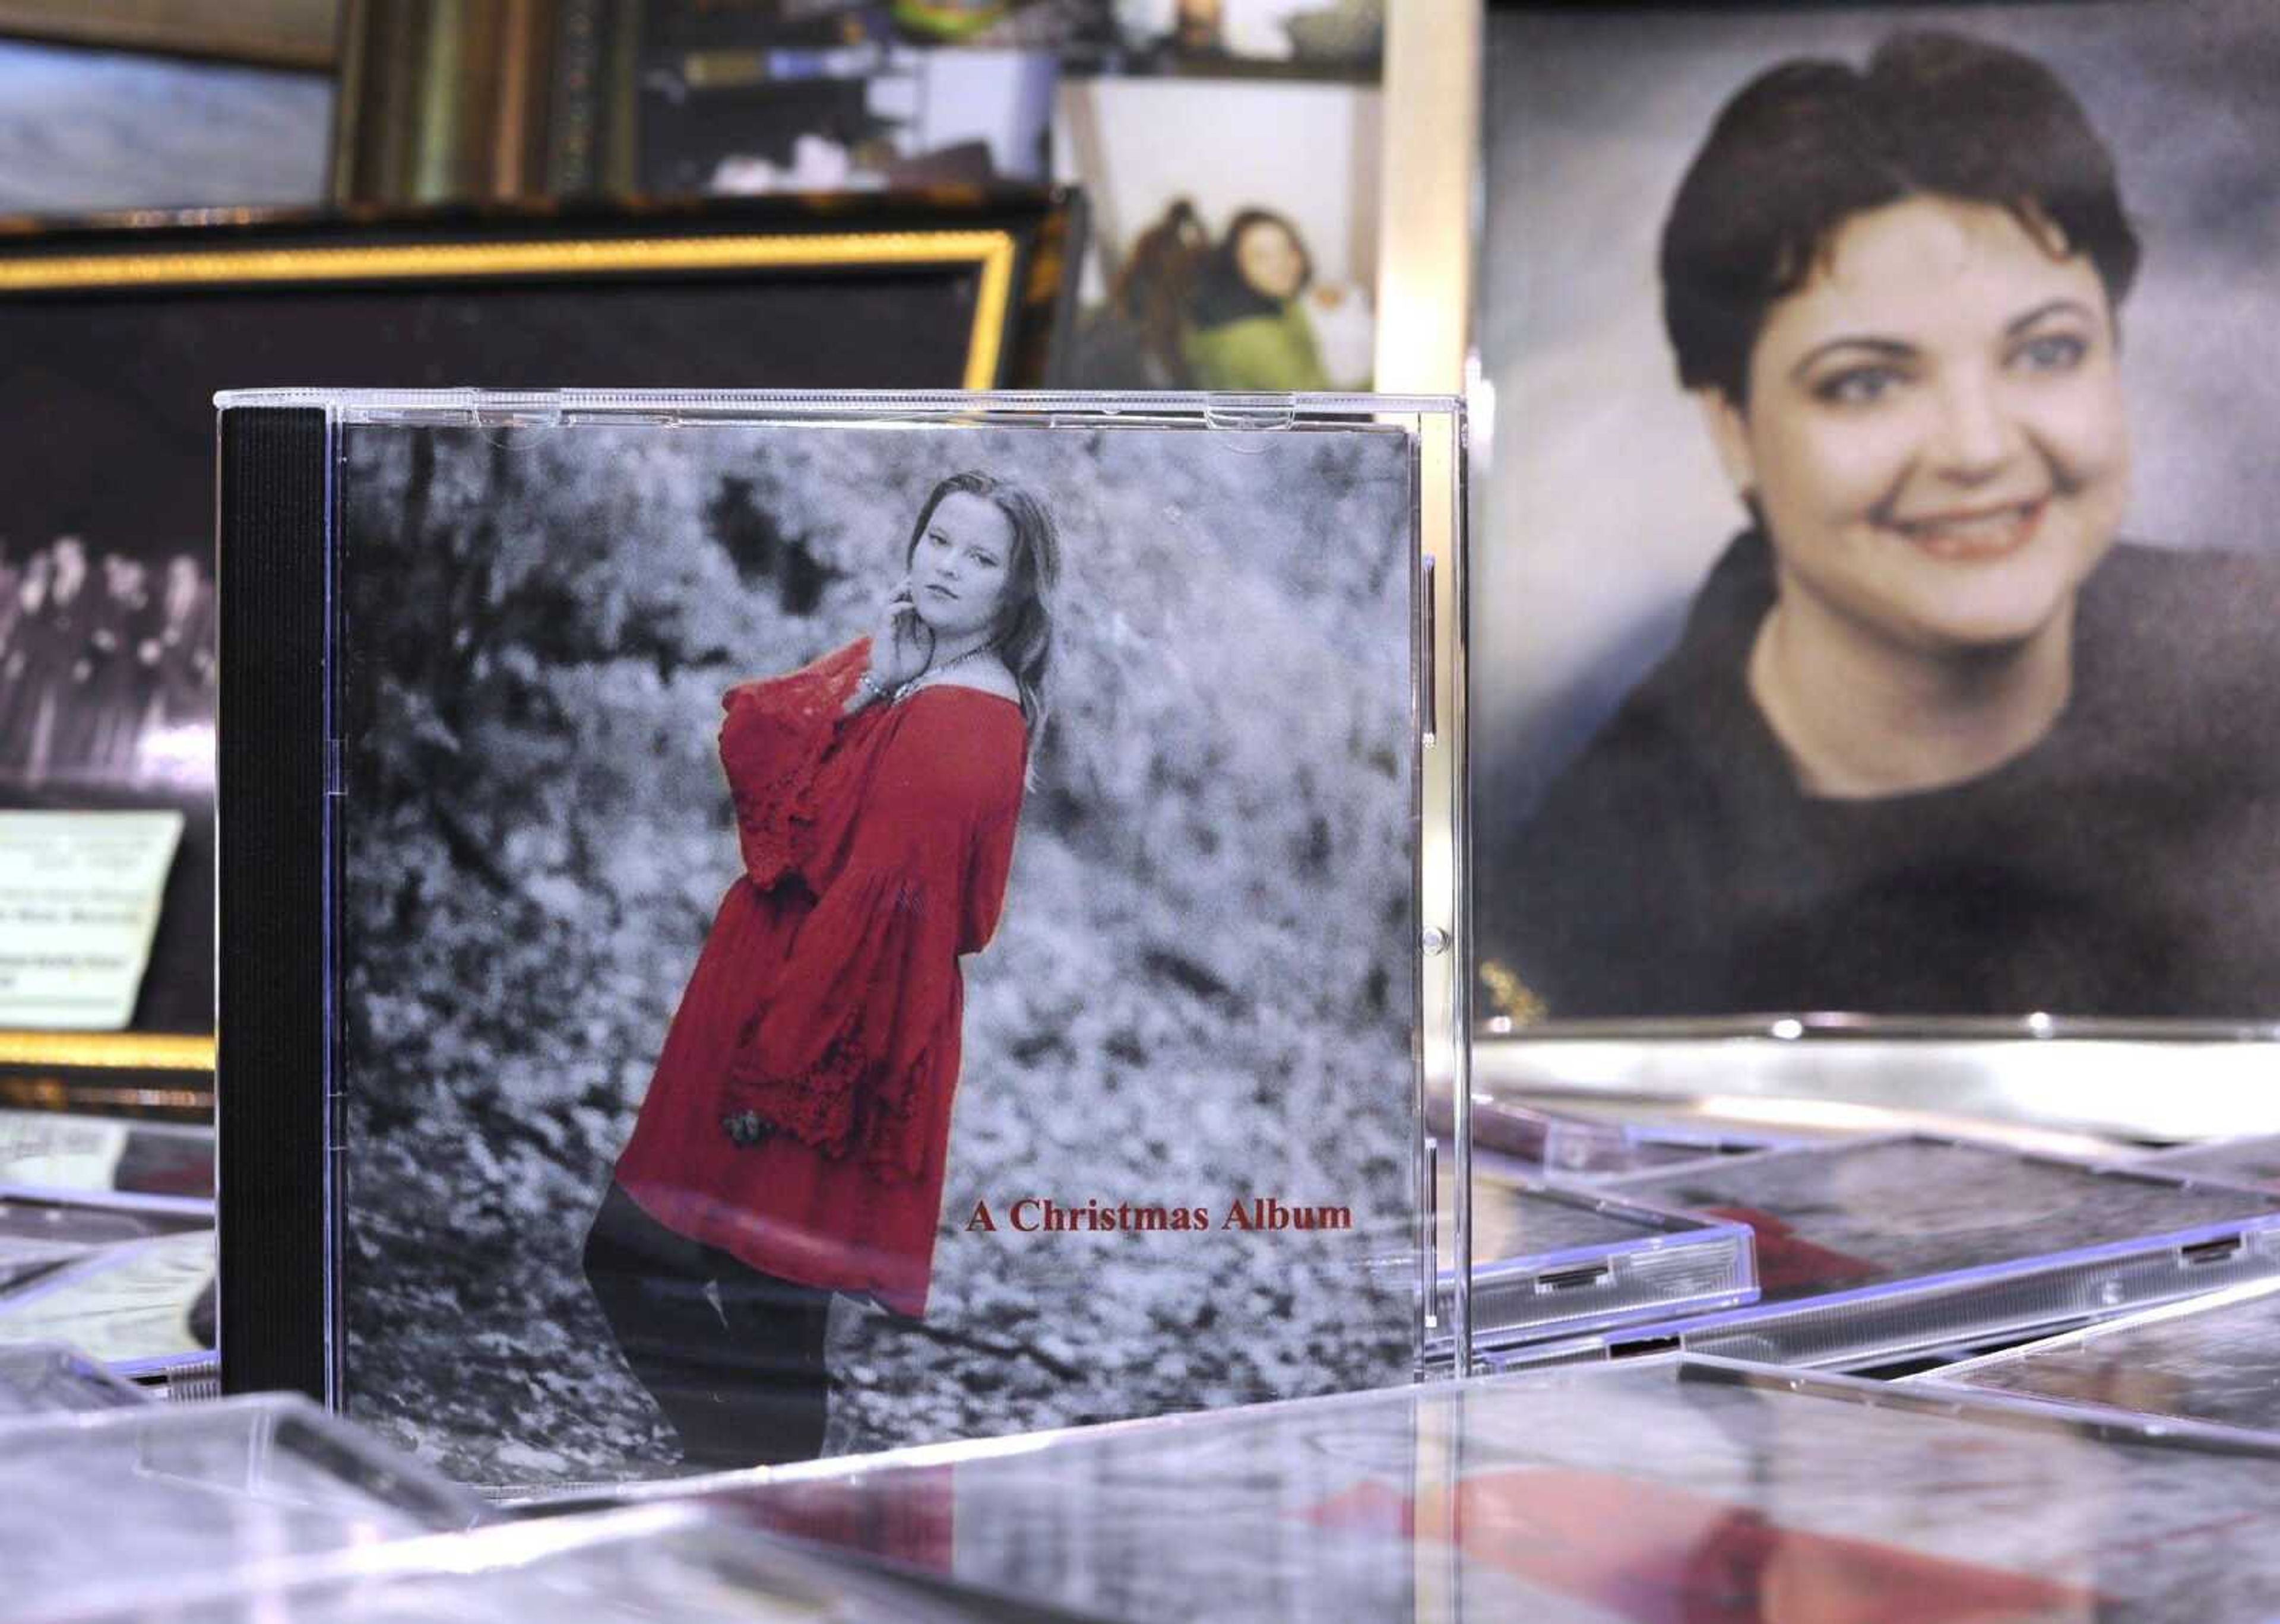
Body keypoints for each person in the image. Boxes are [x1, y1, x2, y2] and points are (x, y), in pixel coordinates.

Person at [1480, 31, 2280, 1023]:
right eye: (1866, 382)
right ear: (1733, 429)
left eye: (2046, 352)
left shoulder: (2258, 662)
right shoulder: (1591, 896)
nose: (1979, 448)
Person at [584, 470, 1056, 1467]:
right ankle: (752, 1492)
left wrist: (778, 1072)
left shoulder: (964, 720)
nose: (949, 568)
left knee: (666, 1272)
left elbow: (885, 914)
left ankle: (755, 1493)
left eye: (981, 559)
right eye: (940, 541)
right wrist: (876, 665)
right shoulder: (918, 668)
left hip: (817, 1031)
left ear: (1016, 592)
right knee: (768, 1313)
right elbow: (760, 733)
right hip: (790, 1000)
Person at [1180, 208, 1335, 392]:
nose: (1282, 263)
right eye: (1261, 256)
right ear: (1236, 265)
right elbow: (1321, 406)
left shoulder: (1264, 299)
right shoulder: (1253, 336)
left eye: (1288, 249)